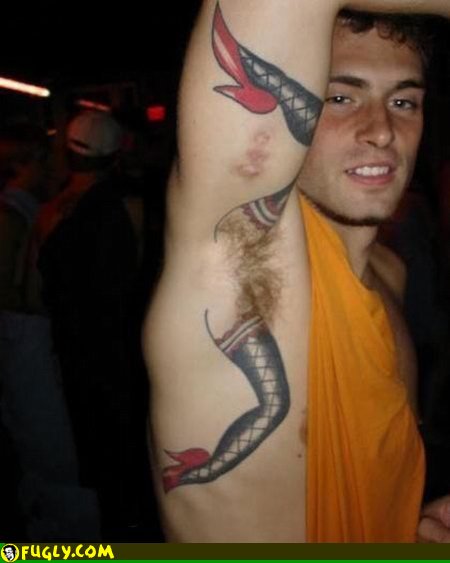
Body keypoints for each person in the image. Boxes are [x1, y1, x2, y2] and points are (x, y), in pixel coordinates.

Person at [143, 0, 450, 543]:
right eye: (340, 97)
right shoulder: (241, 264)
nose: (382, 130)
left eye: (403, 101)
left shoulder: (389, 274)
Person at [37, 110, 162, 540]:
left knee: (92, 444)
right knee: (130, 446)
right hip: (123, 347)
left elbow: (36, 291)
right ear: (114, 156)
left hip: (74, 350)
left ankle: (110, 529)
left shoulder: (49, 214)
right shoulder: (131, 205)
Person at [0, 123, 99, 540]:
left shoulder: (31, 207)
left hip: (31, 339)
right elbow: (12, 294)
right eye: (45, 160)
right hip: (23, 342)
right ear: (25, 165)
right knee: (48, 441)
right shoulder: (9, 214)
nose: (53, 168)